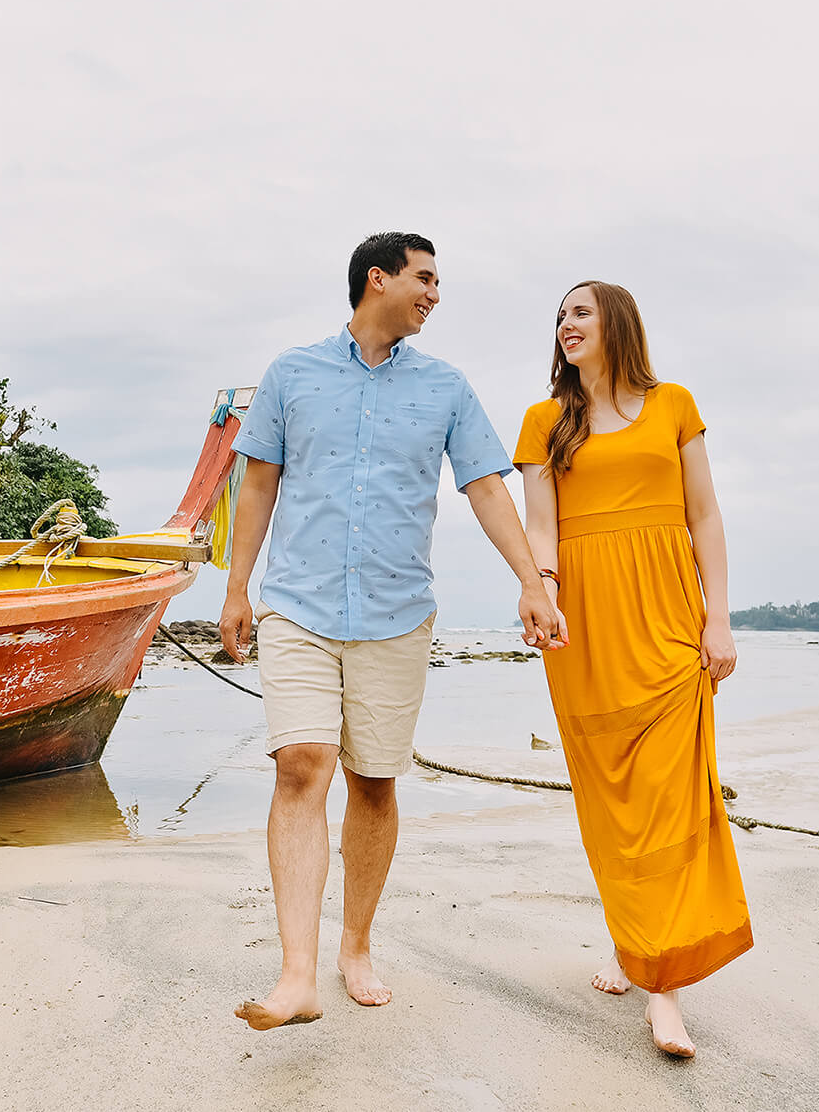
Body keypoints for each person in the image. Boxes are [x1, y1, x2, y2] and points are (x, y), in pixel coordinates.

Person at [218, 232, 565, 1031]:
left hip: (398, 612)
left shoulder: (445, 387)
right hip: (297, 605)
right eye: (425, 278)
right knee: (302, 765)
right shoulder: (291, 373)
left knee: (374, 782)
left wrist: (529, 580)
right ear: (378, 279)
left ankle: (356, 944)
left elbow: (483, 487)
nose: (435, 294)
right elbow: (259, 480)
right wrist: (236, 588)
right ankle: (297, 974)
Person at [514, 280, 750, 1059]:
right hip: (586, 628)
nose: (565, 324)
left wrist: (718, 617)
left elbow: (704, 514)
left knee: (670, 797)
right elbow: (540, 526)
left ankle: (663, 987)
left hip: (670, 619)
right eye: (559, 316)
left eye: (579, 311)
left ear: (617, 322)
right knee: (612, 797)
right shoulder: (544, 422)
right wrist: (541, 596)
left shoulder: (674, 404)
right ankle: (633, 938)